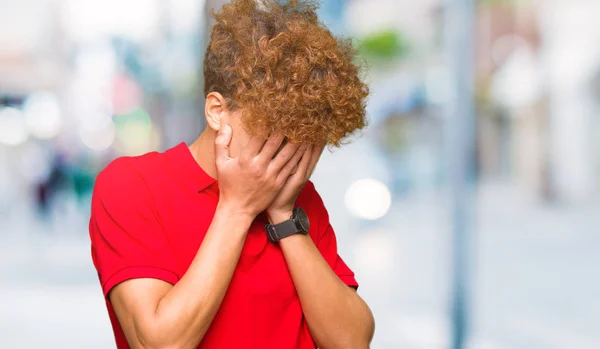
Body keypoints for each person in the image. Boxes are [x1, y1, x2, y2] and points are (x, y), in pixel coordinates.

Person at [89, 0, 374, 348]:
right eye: (275, 134)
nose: (288, 154)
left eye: (303, 139)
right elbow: (159, 343)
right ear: (217, 112)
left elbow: (352, 342)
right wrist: (236, 207)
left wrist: (285, 218)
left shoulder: (300, 199)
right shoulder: (133, 186)